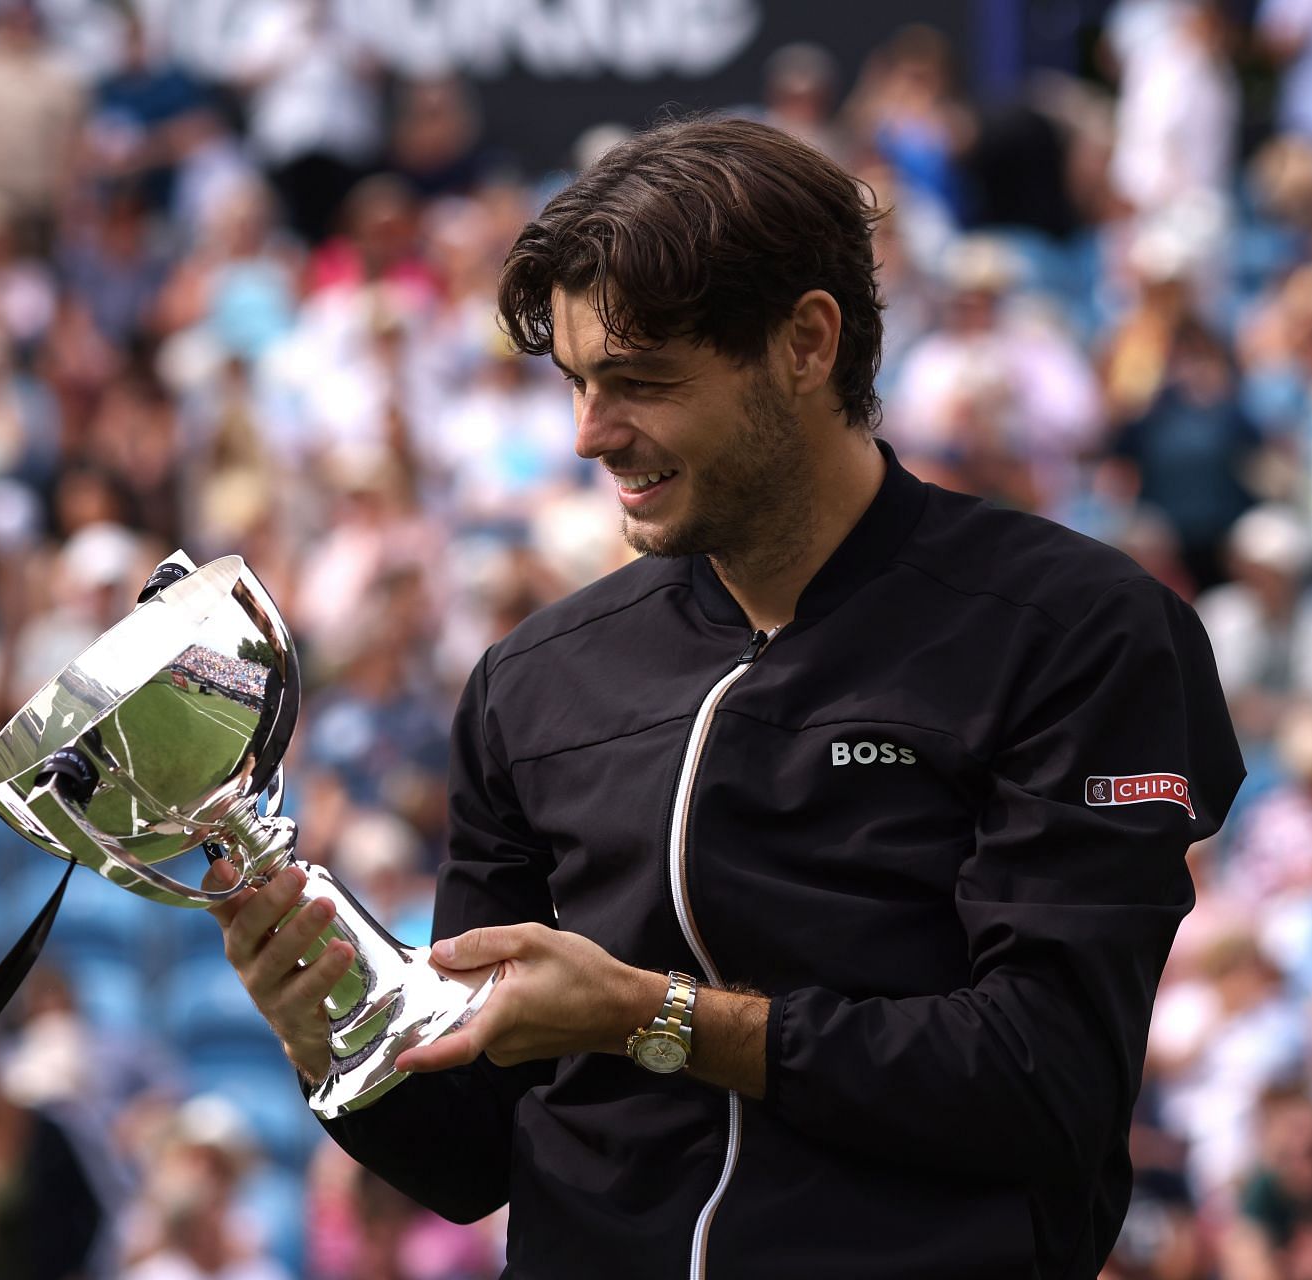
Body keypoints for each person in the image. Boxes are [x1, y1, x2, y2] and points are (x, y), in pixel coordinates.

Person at [207, 116, 1243, 1277]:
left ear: (806, 341)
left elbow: (1047, 1077)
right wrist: (327, 1022)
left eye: (643, 382)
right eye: (579, 382)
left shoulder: (1079, 629)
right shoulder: (531, 681)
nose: (593, 434)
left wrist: (657, 1017)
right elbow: (470, 1159)